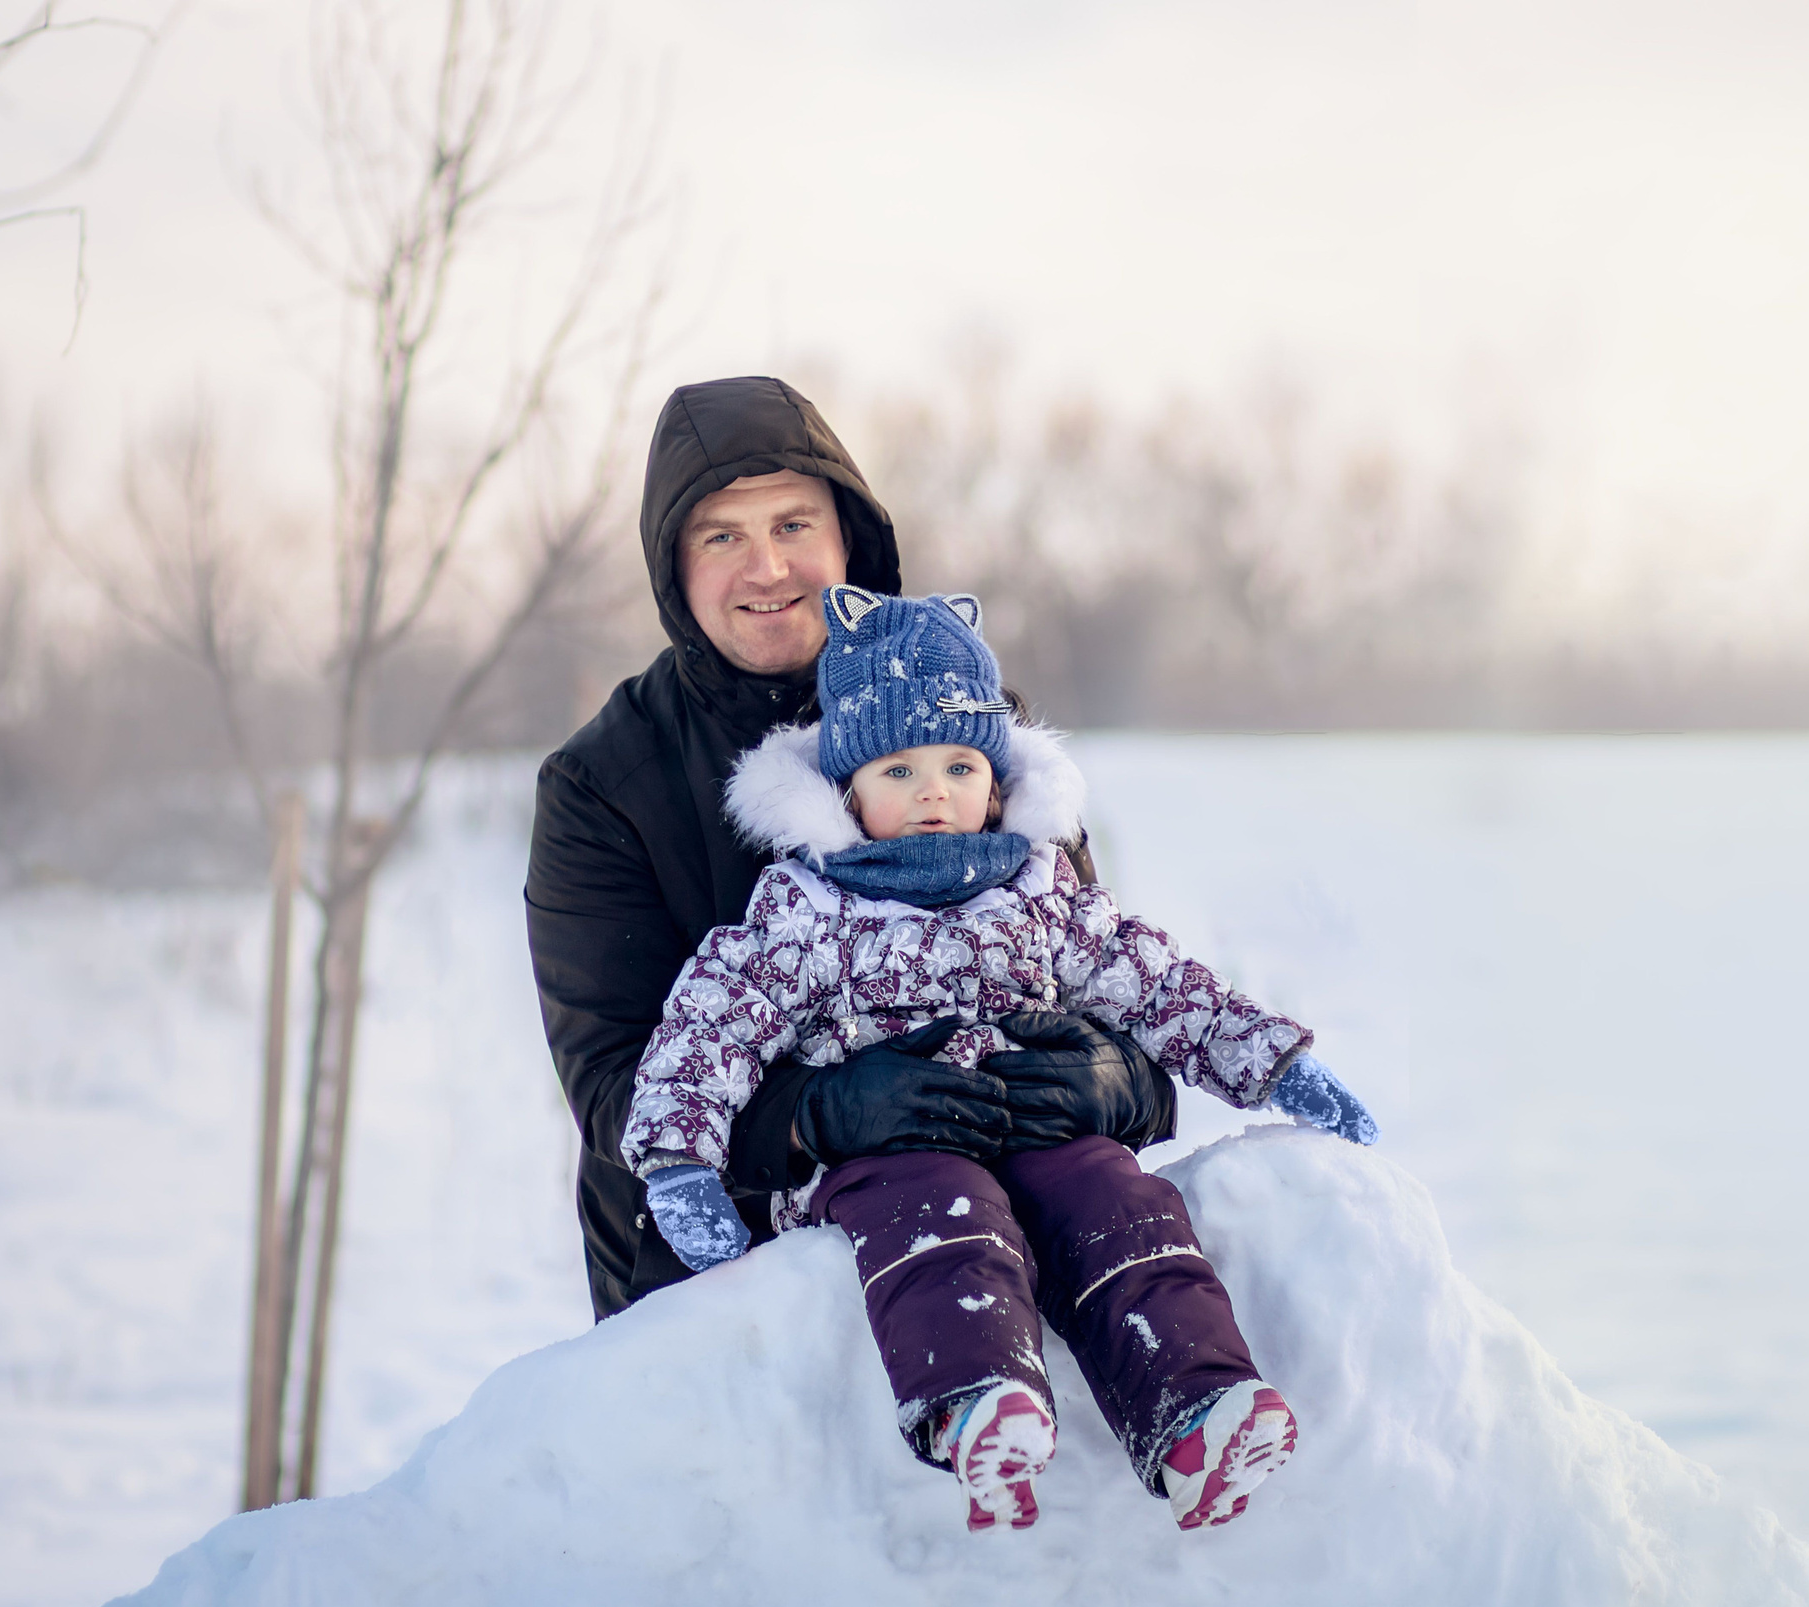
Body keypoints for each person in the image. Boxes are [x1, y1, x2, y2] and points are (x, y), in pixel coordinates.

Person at [625, 587, 1381, 1532]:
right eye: (898, 768)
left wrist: (1274, 1062)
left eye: (958, 762)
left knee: (1121, 1197)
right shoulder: (808, 906)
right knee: (938, 1218)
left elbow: (1157, 982)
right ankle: (980, 1403)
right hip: (889, 1151)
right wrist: (679, 1161)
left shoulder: (1039, 886)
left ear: (996, 776)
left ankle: (1197, 1406)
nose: (933, 789)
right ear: (847, 789)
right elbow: (707, 1027)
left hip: (1035, 1127)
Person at [526, 377, 1181, 1320]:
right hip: (722, 1306)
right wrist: (814, 1112)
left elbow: (1098, 962)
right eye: (722, 536)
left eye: (794, 525)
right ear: (674, 566)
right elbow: (614, 1087)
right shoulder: (601, 787)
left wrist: (1125, 1082)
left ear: (850, 541)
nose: (767, 569)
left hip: (992, 1275)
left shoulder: (969, 726)